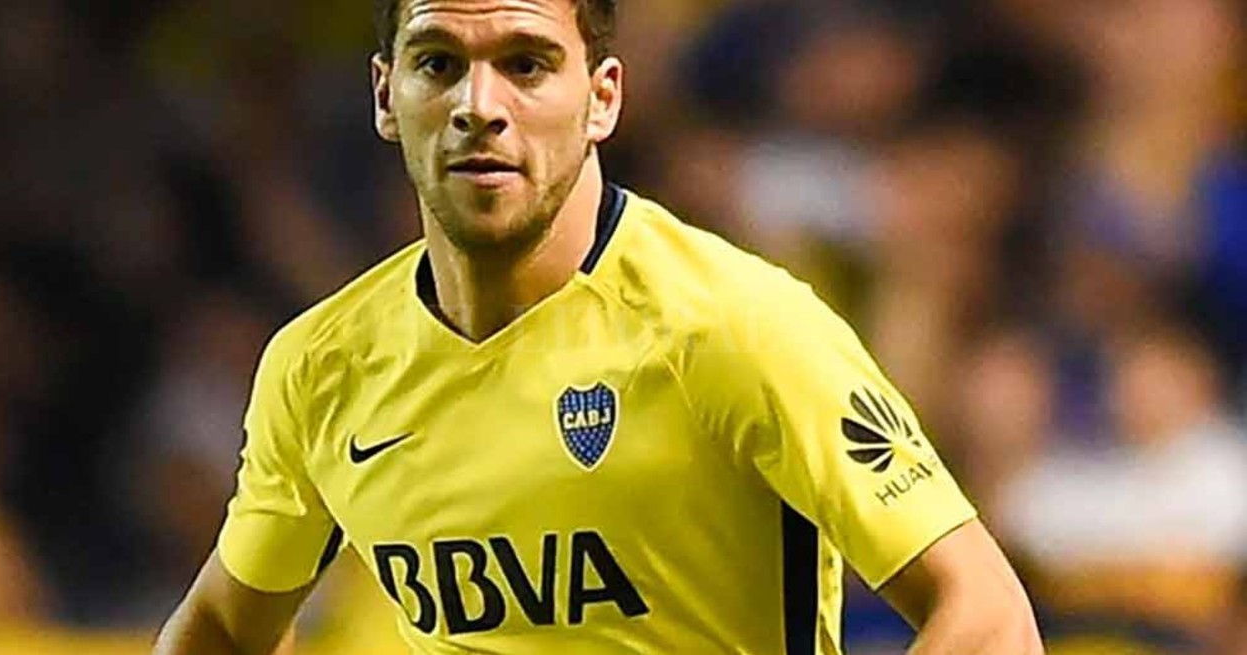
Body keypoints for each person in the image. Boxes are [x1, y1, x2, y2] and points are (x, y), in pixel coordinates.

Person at [153, 1, 1041, 653]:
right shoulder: (320, 365)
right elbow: (225, 627)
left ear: (603, 97)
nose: (479, 105)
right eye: (438, 63)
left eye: (527, 64)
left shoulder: (736, 325)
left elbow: (989, 617)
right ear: (387, 97)